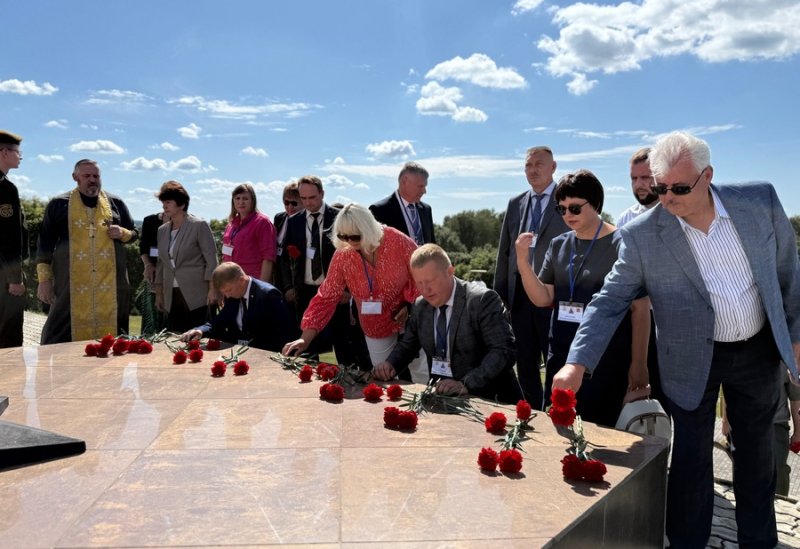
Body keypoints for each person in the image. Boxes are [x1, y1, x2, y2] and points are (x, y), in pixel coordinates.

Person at [553, 131, 800, 548]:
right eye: (660, 187)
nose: (667, 198)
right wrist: (577, 362)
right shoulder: (644, 235)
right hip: (687, 359)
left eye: (679, 189)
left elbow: (789, 277)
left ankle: (759, 542)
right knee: (690, 462)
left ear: (708, 177)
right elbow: (610, 300)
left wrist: (794, 338)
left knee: (757, 459)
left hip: (756, 352)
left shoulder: (759, 203)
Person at [514, 170, 650, 426]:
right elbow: (543, 298)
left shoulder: (622, 244)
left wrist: (639, 364)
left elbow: (640, 309)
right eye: (561, 209)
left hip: (606, 362)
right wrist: (523, 262)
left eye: (575, 208)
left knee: (603, 436)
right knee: (560, 431)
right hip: (561, 358)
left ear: (596, 203)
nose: (567, 216)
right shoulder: (558, 245)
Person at [373, 244, 521, 404]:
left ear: (450, 271)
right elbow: (408, 345)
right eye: (419, 283)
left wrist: (465, 384)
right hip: (442, 399)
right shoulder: (420, 305)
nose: (425, 289)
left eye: (430, 281)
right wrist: (390, 364)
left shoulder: (482, 300)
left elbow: (503, 351)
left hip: (490, 400)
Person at [282, 203, 419, 371]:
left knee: (420, 374)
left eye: (354, 237)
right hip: (375, 322)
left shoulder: (399, 242)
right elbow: (327, 296)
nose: (349, 242)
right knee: (384, 374)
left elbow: (422, 279)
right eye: (343, 236)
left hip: (413, 318)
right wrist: (305, 338)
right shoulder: (344, 254)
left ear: (368, 229)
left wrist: (409, 306)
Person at [494, 146, 569, 409]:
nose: (533, 170)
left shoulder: (567, 202)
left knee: (554, 360)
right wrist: (500, 296)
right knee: (524, 361)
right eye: (528, 165)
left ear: (553, 167)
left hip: (552, 297)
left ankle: (555, 411)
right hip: (520, 298)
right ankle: (531, 413)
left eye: (539, 164)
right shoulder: (516, 204)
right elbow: (505, 251)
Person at [37, 159, 137, 344]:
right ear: (75, 177)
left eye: (96, 176)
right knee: (57, 335)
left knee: (114, 338)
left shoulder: (116, 203)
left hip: (111, 283)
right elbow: (45, 245)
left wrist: (122, 233)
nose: (92, 180)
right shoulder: (58, 204)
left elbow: (134, 233)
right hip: (70, 284)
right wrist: (44, 281)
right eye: (87, 176)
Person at [278, 175, 355, 365]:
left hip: (336, 291)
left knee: (343, 343)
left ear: (322, 193)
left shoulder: (338, 217)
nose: (307, 203)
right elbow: (285, 259)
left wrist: (348, 290)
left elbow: (353, 256)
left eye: (312, 198)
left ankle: (349, 384)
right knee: (308, 347)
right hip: (305, 292)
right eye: (303, 199)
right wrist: (289, 287)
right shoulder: (294, 222)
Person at [615, 148, 665, 408]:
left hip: (669, 318)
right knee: (638, 395)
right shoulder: (625, 218)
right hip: (637, 317)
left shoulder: (675, 214)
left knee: (668, 397)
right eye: (634, 178)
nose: (640, 185)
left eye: (646, 177)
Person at [154, 181, 220, 333]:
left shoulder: (199, 225)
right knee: (175, 338)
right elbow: (161, 264)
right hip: (171, 294)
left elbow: (211, 260)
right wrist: (159, 293)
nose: (164, 206)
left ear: (182, 205)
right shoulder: (162, 230)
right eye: (163, 202)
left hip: (197, 294)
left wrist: (213, 289)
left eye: (169, 202)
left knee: (197, 338)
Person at [181, 262, 290, 352]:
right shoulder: (234, 293)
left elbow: (282, 332)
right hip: (236, 348)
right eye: (224, 292)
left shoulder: (268, 294)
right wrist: (201, 330)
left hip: (262, 351)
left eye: (228, 290)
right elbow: (220, 321)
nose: (227, 295)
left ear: (242, 280)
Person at [0, 130, 27, 348]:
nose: (20, 156)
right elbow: (9, 237)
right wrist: (15, 278)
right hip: (3, 277)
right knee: (8, 335)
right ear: (3, 152)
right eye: (18, 152)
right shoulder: (5, 189)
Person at [221, 183, 277, 282]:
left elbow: (268, 258)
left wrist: (262, 287)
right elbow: (225, 256)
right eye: (237, 198)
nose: (241, 202)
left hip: (252, 282)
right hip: (230, 282)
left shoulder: (262, 222)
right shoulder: (230, 225)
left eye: (245, 198)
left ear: (253, 201)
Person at [369, 161, 435, 245]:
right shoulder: (379, 210)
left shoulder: (426, 210)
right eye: (420, 186)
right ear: (404, 181)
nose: (424, 191)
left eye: (425, 186)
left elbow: (432, 245)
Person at [137, 210, 169, 335]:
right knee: (151, 316)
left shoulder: (183, 222)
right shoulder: (150, 221)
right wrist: (148, 265)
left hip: (174, 277)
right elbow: (143, 246)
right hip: (153, 274)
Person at [616, 147, 659, 229]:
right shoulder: (625, 220)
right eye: (634, 178)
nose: (638, 185)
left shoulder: (677, 214)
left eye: (645, 177)